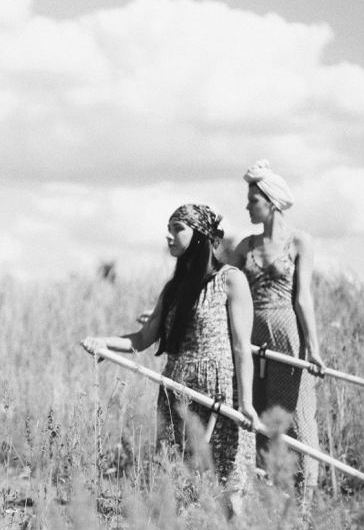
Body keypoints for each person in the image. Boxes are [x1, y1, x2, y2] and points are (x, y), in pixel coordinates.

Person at [81, 204, 259, 495]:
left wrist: (247, 403)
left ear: (200, 234)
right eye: (169, 229)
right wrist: (104, 343)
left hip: (219, 394)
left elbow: (241, 347)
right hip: (177, 392)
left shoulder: (231, 280)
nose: (170, 236)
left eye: (178, 229)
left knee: (227, 485)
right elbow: (141, 340)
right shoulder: (174, 288)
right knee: (179, 482)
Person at [229, 160, 323, 492]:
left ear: (270, 202)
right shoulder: (246, 246)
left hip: (288, 335)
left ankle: (305, 497)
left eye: (253, 200)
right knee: (257, 410)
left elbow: (303, 298)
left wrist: (314, 348)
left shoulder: (299, 242)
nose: (247, 206)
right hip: (250, 337)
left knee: (297, 415)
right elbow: (218, 284)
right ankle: (266, 492)